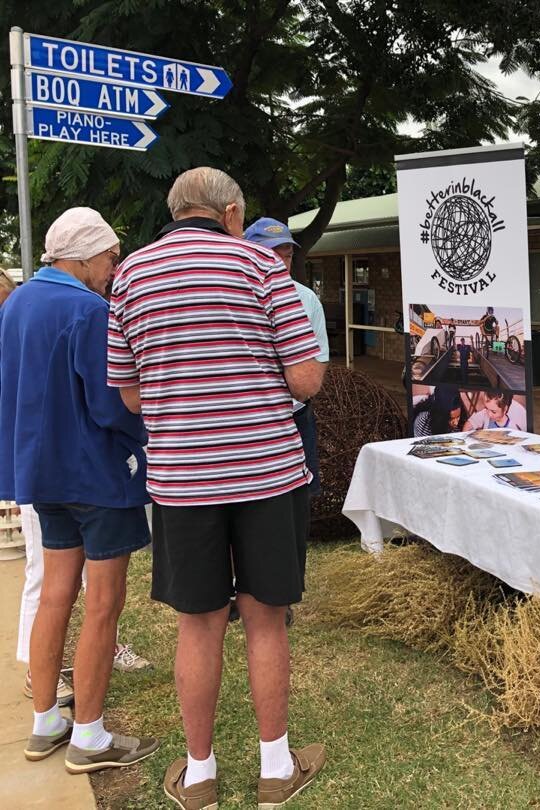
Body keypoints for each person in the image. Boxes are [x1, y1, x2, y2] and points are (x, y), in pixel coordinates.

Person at [107, 168, 327, 809]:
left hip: (181, 480)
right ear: (232, 212)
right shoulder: (262, 267)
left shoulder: (131, 276)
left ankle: (199, 774)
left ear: (177, 212)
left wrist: (184, 401)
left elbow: (127, 392)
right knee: (266, 619)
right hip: (266, 474)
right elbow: (308, 380)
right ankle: (275, 769)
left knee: (198, 627)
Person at [0, 207, 158, 771]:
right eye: (112, 257)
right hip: (96, 474)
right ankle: (89, 736)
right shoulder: (89, 309)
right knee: (103, 605)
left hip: (41, 473)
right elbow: (110, 402)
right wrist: (150, 430)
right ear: (87, 255)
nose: (114, 269)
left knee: (55, 595)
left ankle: (46, 721)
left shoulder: (17, 301)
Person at [244, 217, 329, 629]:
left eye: (287, 251)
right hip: (246, 424)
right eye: (271, 250)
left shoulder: (305, 299)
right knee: (241, 508)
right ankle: (234, 589)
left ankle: (285, 591)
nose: (281, 258)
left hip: (293, 418)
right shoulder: (235, 293)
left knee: (295, 507)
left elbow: (313, 372)